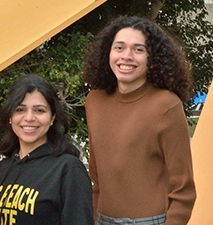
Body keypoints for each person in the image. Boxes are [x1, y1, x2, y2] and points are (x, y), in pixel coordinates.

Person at [83, 16, 196, 225]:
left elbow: (183, 190)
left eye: (138, 50)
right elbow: (97, 174)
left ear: (152, 59)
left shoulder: (167, 106)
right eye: (119, 47)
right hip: (102, 220)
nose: (126, 56)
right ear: (108, 52)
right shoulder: (94, 101)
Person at [0, 74, 93, 225]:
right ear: (10, 117)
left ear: (52, 117)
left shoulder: (68, 169)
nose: (29, 118)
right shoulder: (0, 170)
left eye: (39, 110)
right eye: (20, 109)